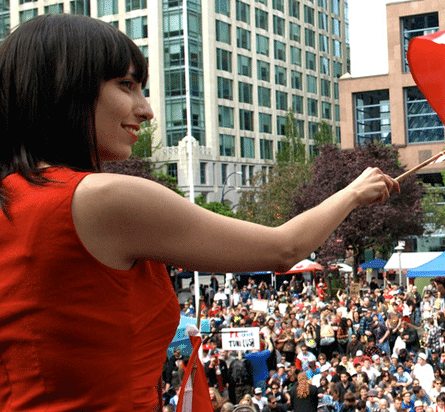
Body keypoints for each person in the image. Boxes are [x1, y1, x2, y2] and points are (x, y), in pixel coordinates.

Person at [0, 13, 400, 412]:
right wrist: (352, 193)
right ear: (64, 87)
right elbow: (282, 248)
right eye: (126, 85)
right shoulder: (102, 199)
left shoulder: (13, 200)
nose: (146, 110)